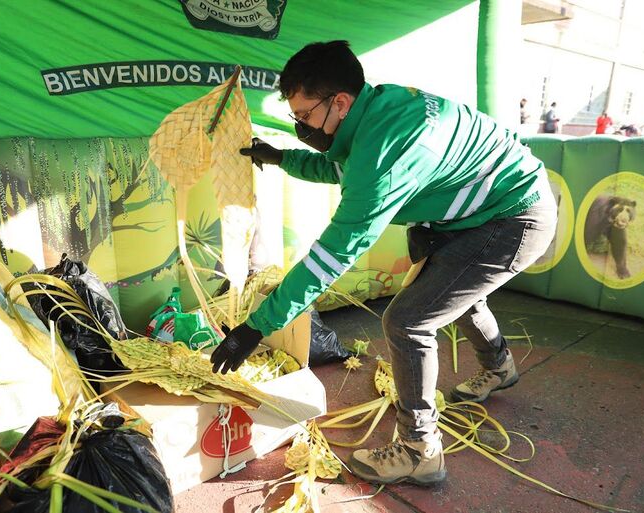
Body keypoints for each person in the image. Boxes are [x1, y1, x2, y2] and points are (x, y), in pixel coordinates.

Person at [210, 40, 556, 487]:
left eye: (303, 116)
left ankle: (420, 449)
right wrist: (281, 158)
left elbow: (333, 254)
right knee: (458, 296)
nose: (301, 126)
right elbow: (340, 168)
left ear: (340, 102)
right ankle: (500, 364)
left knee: (408, 321)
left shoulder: (386, 153)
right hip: (485, 210)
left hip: (514, 217)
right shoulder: (377, 108)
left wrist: (257, 326)